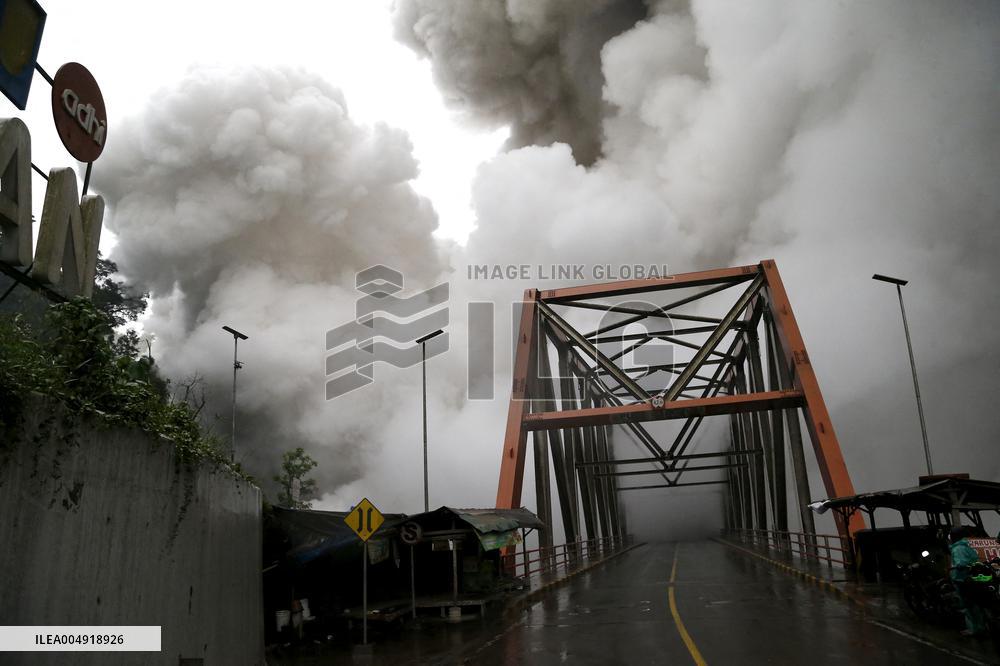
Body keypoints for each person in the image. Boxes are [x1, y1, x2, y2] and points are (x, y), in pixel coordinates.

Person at [949, 527, 986, 637]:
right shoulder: (966, 546)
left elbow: (961, 563)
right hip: (971, 578)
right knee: (975, 604)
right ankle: (981, 626)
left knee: (967, 605)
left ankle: (973, 629)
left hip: (962, 579)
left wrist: (956, 566)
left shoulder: (958, 549)